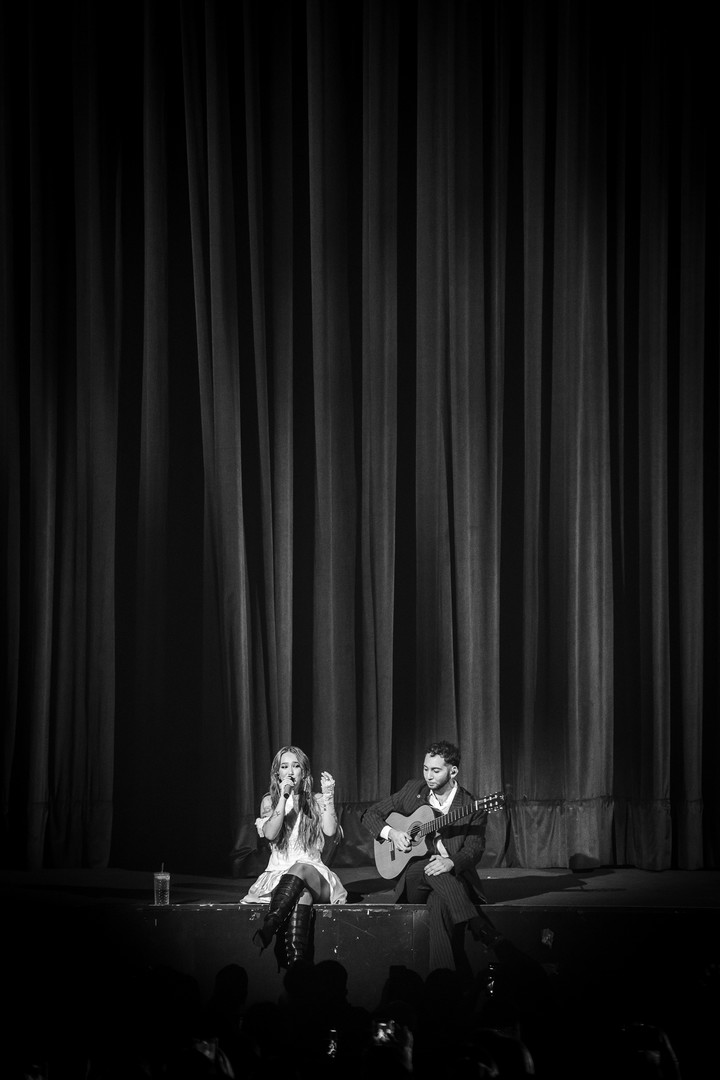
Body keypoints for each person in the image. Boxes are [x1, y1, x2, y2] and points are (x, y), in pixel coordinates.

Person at [361, 739, 498, 976]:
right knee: (427, 866)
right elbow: (370, 814)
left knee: (438, 903)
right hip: (415, 878)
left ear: (453, 771)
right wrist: (392, 833)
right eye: (426, 769)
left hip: (452, 878)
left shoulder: (472, 805)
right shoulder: (414, 791)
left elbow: (474, 849)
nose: (428, 776)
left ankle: (442, 982)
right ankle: (477, 924)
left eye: (436, 770)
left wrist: (451, 862)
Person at [241, 745, 347, 967]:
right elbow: (270, 833)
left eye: (296, 766)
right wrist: (283, 797)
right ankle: (297, 966)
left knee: (301, 867)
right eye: (284, 766)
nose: (290, 771)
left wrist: (329, 796)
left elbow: (329, 831)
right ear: (277, 773)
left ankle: (270, 926)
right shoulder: (269, 801)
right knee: (303, 896)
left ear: (304, 772)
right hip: (280, 876)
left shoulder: (316, 800)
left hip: (314, 873)